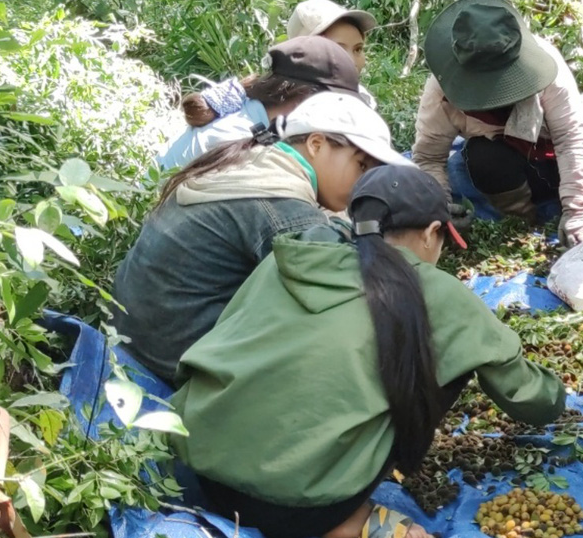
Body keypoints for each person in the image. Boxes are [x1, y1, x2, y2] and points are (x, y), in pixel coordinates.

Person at [170, 166, 565, 538]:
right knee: (435, 358)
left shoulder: (286, 259)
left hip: (199, 472)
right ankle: (343, 519)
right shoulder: (437, 292)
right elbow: (535, 402)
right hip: (298, 506)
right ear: (432, 233)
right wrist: (554, 389)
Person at [110, 66, 415, 386]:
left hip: (130, 341)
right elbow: (345, 289)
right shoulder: (279, 204)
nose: (363, 181)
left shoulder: (247, 159)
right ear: (316, 143)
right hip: (173, 366)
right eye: (361, 164)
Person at [410, 0, 583, 244]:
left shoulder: (545, 65)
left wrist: (576, 212)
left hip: (558, 156)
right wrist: (441, 209)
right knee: (482, 157)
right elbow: (429, 157)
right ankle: (523, 219)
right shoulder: (442, 89)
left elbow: (569, 139)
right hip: (509, 167)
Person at [162, 0, 378, 169]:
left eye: (358, 49)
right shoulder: (235, 137)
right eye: (338, 50)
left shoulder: (346, 97)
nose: (352, 60)